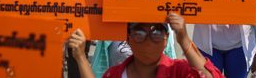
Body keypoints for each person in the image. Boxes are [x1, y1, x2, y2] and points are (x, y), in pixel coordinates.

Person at [69, 13, 224, 78]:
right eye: (139, 34)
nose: (148, 41)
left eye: (156, 34)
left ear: (166, 40)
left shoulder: (178, 71)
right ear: (128, 40)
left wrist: (183, 40)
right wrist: (81, 57)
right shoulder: (115, 74)